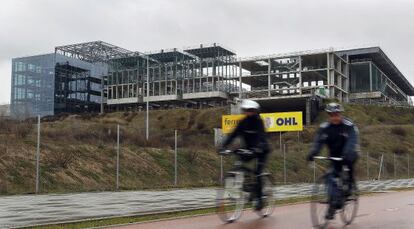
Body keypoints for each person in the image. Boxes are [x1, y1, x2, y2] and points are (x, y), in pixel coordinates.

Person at [306, 102, 360, 220]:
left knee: (349, 163)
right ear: (328, 115)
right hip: (334, 155)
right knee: (330, 177)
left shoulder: (349, 125)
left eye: (337, 114)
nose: (334, 117)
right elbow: (318, 142)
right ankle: (332, 204)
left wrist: (347, 153)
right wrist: (313, 153)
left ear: (340, 114)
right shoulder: (324, 128)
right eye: (331, 115)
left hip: (349, 152)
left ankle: (350, 185)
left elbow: (352, 140)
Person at [219, 99, 270, 211]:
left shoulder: (258, 122)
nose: (248, 112)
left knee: (257, 173)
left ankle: (260, 199)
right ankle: (246, 188)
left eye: (251, 110)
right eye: (246, 110)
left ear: (255, 111)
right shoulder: (243, 122)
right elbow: (232, 135)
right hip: (248, 149)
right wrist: (223, 146)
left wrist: (258, 148)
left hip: (261, 150)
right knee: (240, 166)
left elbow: (262, 137)